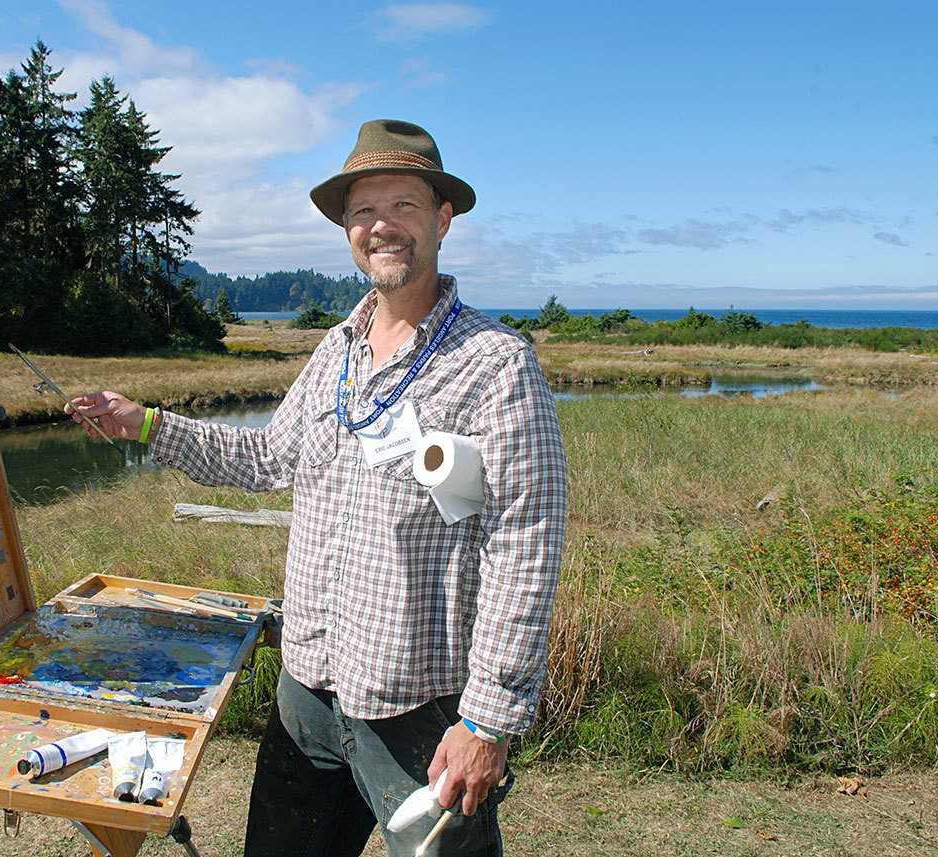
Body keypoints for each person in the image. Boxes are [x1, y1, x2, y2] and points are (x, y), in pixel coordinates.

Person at [68, 119, 567, 856]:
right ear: (347, 228)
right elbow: (267, 458)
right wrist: (144, 424)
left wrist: (487, 720)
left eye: (404, 205)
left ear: (443, 219)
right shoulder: (336, 351)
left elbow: (525, 541)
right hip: (306, 693)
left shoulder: (496, 365)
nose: (382, 226)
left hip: (416, 713)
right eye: (364, 211)